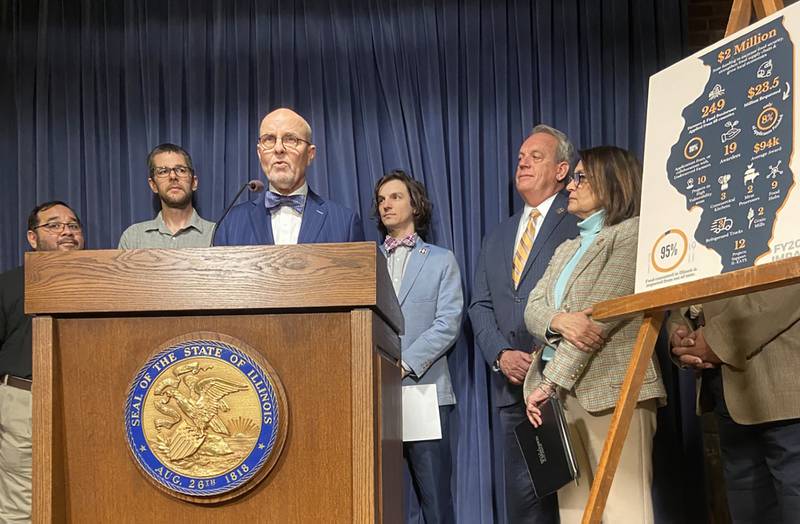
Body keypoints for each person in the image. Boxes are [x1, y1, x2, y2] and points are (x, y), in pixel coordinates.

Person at [522, 146, 666, 523]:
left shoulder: (632, 235)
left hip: (615, 390)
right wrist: (559, 321)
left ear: (613, 182)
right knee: (574, 515)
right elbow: (532, 308)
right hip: (562, 398)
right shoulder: (566, 247)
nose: (571, 185)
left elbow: (597, 320)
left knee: (624, 512)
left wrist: (547, 383)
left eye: (581, 177)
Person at [468, 124, 579, 523]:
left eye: (536, 156)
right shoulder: (497, 235)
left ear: (563, 169)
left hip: (566, 385)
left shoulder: (579, 222)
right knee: (524, 508)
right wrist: (500, 354)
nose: (523, 163)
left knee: (575, 503)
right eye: (519, 158)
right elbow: (478, 305)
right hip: (511, 391)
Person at [374, 170, 463, 524]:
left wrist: (404, 363)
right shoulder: (367, 261)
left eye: (394, 197)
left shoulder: (441, 260)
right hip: (376, 394)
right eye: (381, 199)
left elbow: (448, 323)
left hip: (425, 392)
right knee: (381, 499)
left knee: (435, 501)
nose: (386, 205)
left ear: (415, 203)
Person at [669, 291, 800, 522]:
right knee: (747, 510)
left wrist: (717, 339)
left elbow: (791, 283)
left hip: (787, 387)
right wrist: (680, 330)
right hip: (724, 391)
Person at [0, 201, 85, 522]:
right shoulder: (8, 286)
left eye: (73, 225)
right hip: (25, 402)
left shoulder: (102, 283)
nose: (66, 231)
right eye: (53, 225)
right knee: (21, 508)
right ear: (32, 238)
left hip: (85, 404)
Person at [213, 108, 364, 245]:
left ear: (310, 154)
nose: (278, 148)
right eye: (269, 139)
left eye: (291, 139)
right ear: (259, 153)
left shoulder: (345, 223)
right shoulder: (229, 223)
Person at [118, 143, 215, 249]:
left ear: (194, 182)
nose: (173, 176)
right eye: (163, 171)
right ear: (153, 185)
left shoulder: (214, 234)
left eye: (181, 170)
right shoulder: (133, 238)